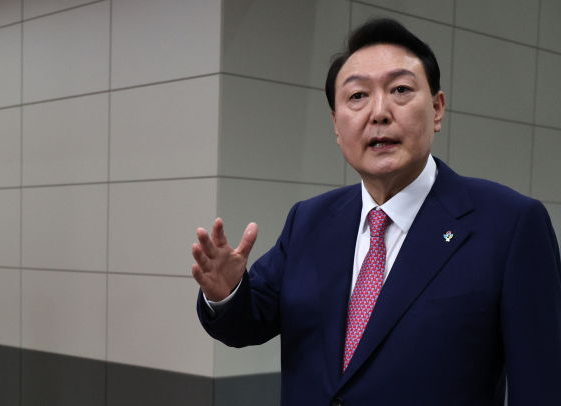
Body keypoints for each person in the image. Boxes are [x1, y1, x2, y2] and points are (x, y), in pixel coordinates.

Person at [191, 18, 561, 406]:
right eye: (357, 96)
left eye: (400, 90)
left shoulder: (510, 225)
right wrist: (227, 294)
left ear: (437, 109)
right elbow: (247, 323)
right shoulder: (309, 221)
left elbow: (542, 384)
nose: (379, 113)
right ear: (337, 125)